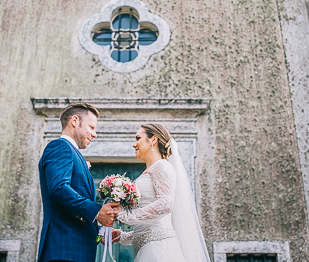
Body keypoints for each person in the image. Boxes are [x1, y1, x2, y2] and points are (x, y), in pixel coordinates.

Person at [113, 123, 211, 262]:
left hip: (160, 250)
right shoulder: (150, 170)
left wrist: (126, 216)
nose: (134, 144)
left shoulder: (161, 166)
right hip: (148, 247)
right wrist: (123, 236)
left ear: (153, 140)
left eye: (138, 138)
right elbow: (150, 227)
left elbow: (165, 204)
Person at [37, 103, 121, 262]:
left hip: (79, 252)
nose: (94, 134)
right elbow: (59, 188)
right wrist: (97, 212)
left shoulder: (73, 153)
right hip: (63, 251)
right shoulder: (60, 147)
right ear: (74, 121)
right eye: (91, 127)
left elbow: (76, 217)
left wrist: (100, 234)